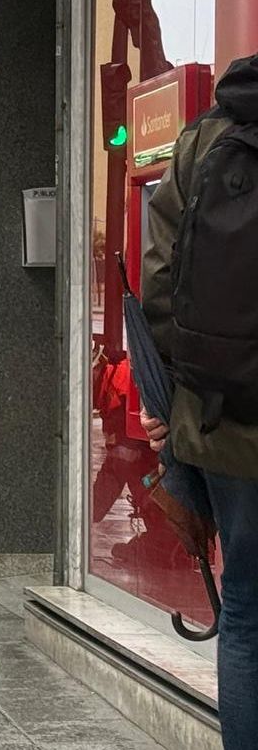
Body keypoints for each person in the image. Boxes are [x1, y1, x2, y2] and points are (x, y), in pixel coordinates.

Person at [139, 53, 258, 750]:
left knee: (245, 610)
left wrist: (177, 394)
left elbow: (160, 281)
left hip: (221, 420)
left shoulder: (204, 137)